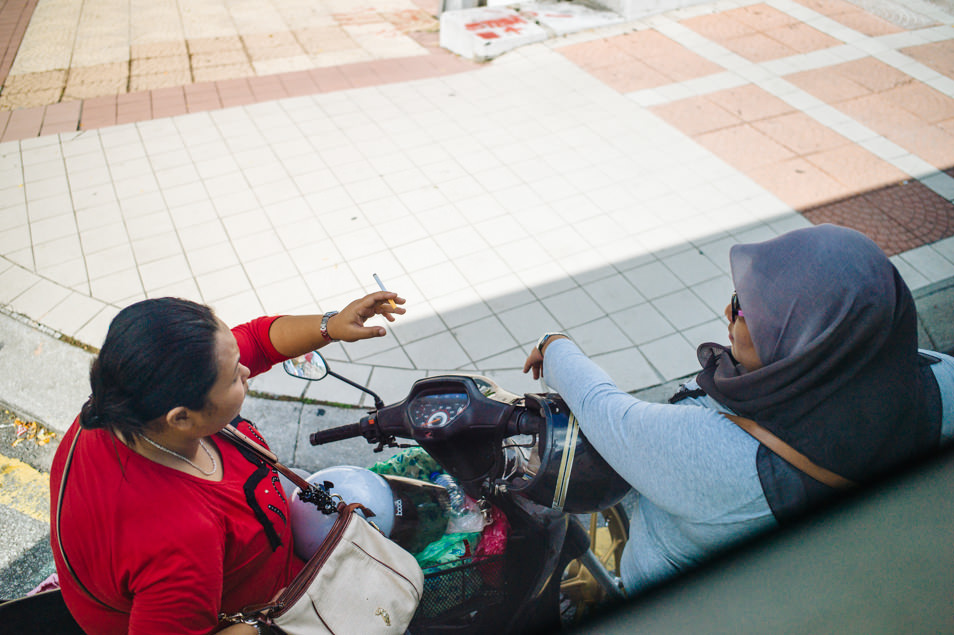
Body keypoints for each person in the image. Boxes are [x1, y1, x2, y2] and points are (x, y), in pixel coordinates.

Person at [523, 224, 954, 596]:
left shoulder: (725, 455)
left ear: (806, 343)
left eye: (749, 310)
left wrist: (554, 346)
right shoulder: (936, 379)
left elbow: (612, 417)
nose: (728, 311)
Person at [50, 291, 405, 634]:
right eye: (235, 375)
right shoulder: (182, 539)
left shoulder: (122, 403)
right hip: (277, 605)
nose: (248, 371)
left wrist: (333, 324)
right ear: (182, 419)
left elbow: (256, 339)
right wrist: (264, 623)